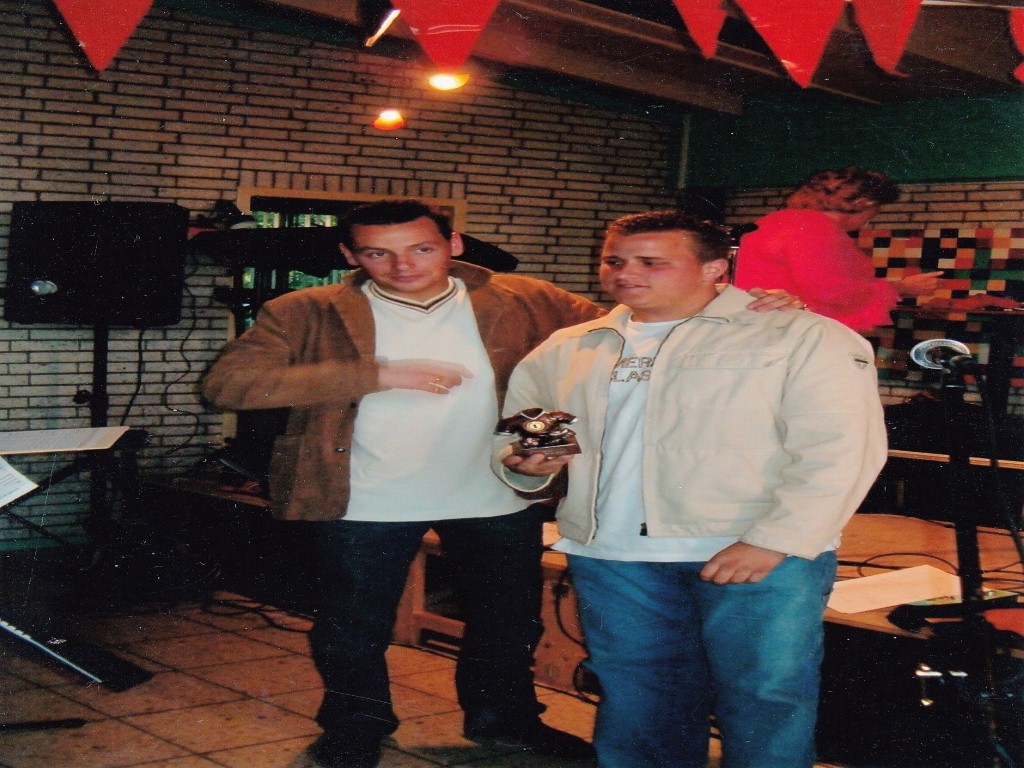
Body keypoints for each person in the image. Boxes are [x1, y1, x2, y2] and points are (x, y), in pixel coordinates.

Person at [201, 199, 800, 768]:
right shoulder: (306, 311)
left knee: (508, 619)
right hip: (363, 496)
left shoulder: (523, 296)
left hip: (497, 489)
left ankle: (503, 719)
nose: (403, 265)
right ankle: (355, 726)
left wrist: (741, 303)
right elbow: (227, 385)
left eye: (421, 249)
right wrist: (374, 373)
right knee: (352, 624)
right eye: (379, 253)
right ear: (350, 255)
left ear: (454, 244)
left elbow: (640, 320)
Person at [495, 210, 888, 768]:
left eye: (651, 262)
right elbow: (529, 431)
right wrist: (530, 466)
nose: (626, 273)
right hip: (615, 557)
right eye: (615, 260)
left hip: (752, 554)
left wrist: (774, 539)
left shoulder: (799, 335)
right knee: (637, 696)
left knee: (764, 698)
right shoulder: (572, 346)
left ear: (714, 269)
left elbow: (841, 448)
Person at [732, 166, 943, 332]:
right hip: (781, 328)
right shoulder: (818, 230)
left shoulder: (777, 221)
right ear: (863, 203)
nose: (871, 218)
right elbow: (835, 294)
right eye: (876, 209)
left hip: (752, 322)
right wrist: (901, 288)